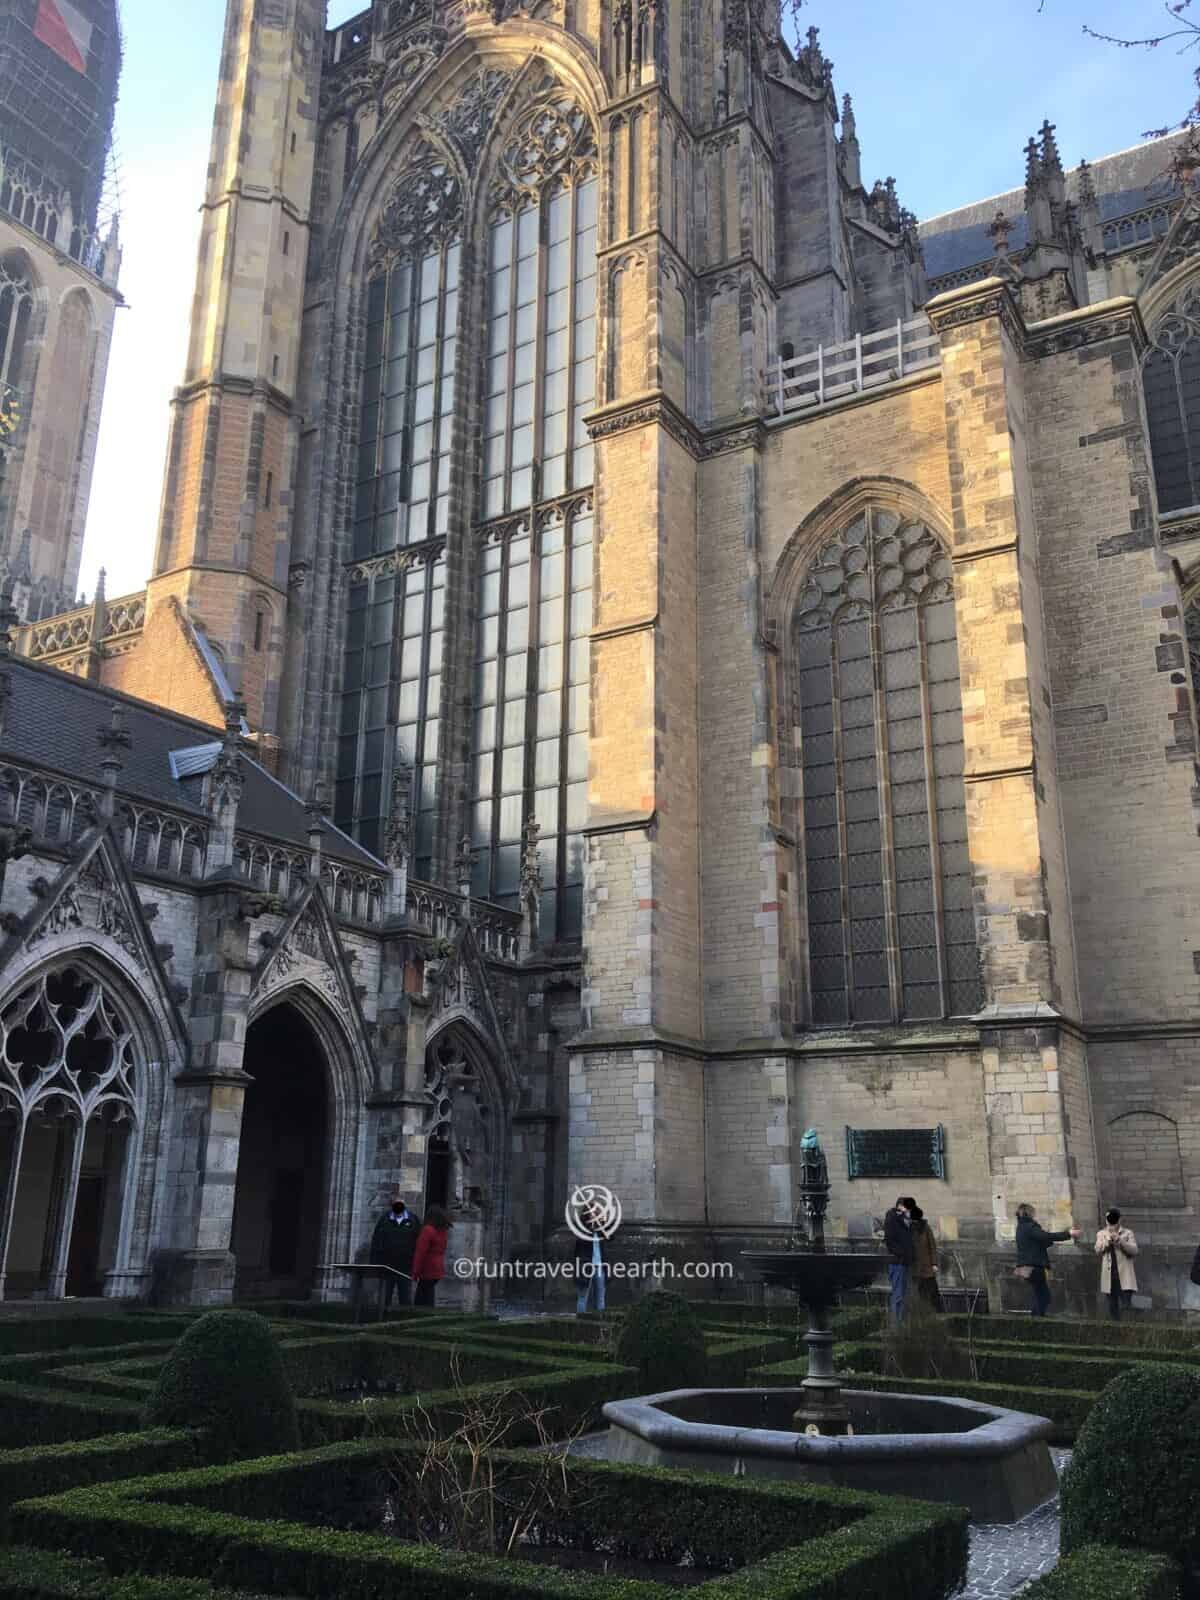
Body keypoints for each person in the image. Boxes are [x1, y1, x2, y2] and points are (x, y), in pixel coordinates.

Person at [1014, 1202, 1081, 1317]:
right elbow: (1046, 1237)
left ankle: (1036, 1321)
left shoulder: (1021, 1227)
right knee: (1044, 1297)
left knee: (1040, 1295)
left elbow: (1037, 1242)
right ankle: (1037, 1322)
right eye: (1033, 1213)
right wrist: (1068, 1234)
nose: (1034, 1215)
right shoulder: (1030, 1227)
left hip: (1027, 1267)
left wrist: (1047, 1238)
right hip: (1034, 1267)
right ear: (1029, 1213)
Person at [369, 1198, 420, 1310]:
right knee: (384, 1298)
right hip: (387, 1265)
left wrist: (416, 1264)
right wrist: (374, 1264)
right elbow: (376, 1242)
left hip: (405, 1266)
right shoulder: (384, 1220)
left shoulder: (413, 1220)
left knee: (405, 1298)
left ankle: (405, 1323)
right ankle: (380, 1323)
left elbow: (418, 1243)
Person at [1094, 1208, 1138, 1320]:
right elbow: (1097, 1250)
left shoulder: (1128, 1233)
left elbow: (1134, 1251)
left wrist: (1120, 1241)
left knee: (1126, 1308)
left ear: (1119, 1220)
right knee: (1113, 1309)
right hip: (1109, 1278)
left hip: (1125, 1277)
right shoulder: (1101, 1234)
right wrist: (1108, 1240)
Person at [883, 1196, 916, 1321]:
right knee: (898, 1295)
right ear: (900, 1206)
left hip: (905, 1262)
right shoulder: (892, 1219)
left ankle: (902, 1324)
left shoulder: (905, 1220)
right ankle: (897, 1326)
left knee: (905, 1294)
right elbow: (890, 1242)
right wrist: (902, 1254)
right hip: (897, 1263)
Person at [411, 1206, 451, 1308]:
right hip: (438, 1267)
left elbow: (420, 1252)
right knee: (429, 1293)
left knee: (420, 1299)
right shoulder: (443, 1231)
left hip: (428, 1268)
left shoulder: (428, 1230)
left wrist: (415, 1272)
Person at [575, 1203, 607, 1315]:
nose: (595, 1214)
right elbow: (579, 1244)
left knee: (601, 1298)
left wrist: (602, 1223)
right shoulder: (582, 1229)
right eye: (593, 1212)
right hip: (585, 1267)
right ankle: (580, 1322)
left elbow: (611, 1237)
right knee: (583, 1297)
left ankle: (600, 1324)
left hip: (599, 1267)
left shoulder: (600, 1229)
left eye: (596, 1212)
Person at [910, 1205, 942, 1311]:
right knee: (919, 1292)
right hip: (915, 1267)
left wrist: (934, 1263)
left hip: (927, 1266)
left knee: (932, 1291)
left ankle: (937, 1311)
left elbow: (932, 1246)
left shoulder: (926, 1227)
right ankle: (923, 1313)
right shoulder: (909, 1228)